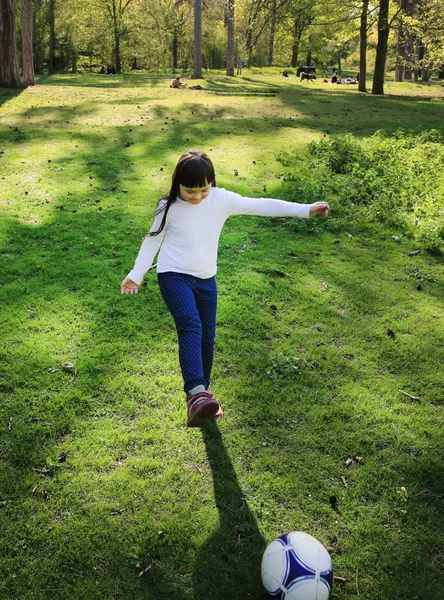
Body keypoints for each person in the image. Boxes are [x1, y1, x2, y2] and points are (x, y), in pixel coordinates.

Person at [121, 151, 330, 428]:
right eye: (189, 191)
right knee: (190, 326)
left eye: (203, 190)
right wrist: (136, 275)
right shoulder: (168, 206)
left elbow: (261, 205)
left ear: (212, 183)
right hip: (173, 275)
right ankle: (195, 392)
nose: (196, 197)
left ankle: (201, 397)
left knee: (207, 339)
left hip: (207, 279)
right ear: (177, 184)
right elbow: (152, 241)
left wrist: (305, 209)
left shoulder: (220, 200)